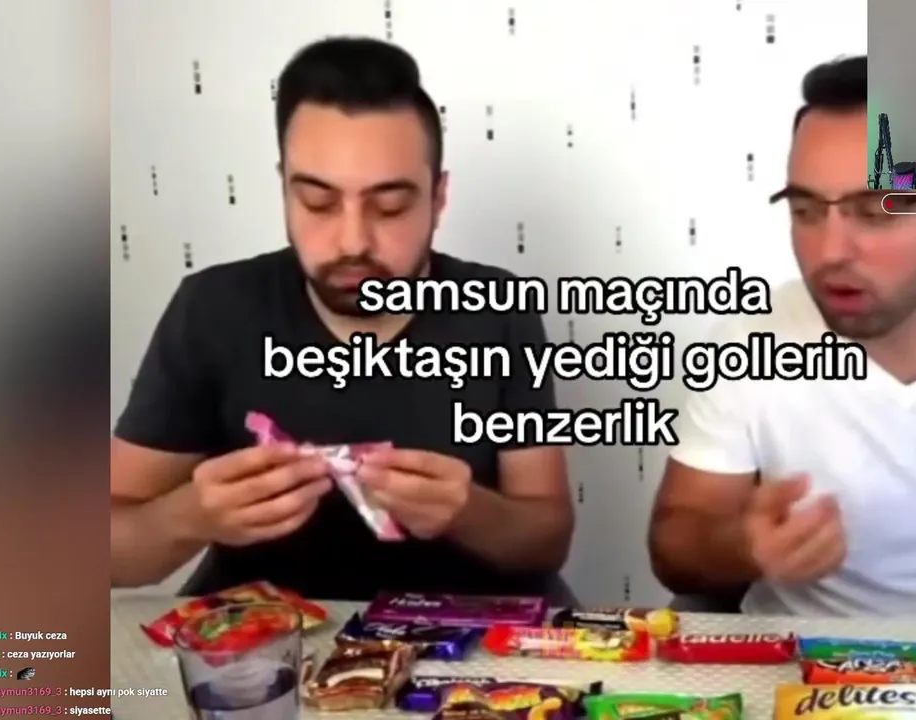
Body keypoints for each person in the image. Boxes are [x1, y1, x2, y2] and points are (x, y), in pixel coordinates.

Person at [110, 37, 575, 601]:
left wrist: (469, 511)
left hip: (467, 634)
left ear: (438, 199)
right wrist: (187, 517)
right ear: (284, 189)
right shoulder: (213, 308)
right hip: (262, 636)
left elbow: (547, 540)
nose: (353, 241)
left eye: (390, 206)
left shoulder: (498, 308)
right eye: (319, 202)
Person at [646, 56, 916, 616]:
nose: (830, 252)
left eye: (878, 211)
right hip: (798, 661)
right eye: (806, 210)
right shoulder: (751, 339)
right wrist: (743, 546)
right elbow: (678, 543)